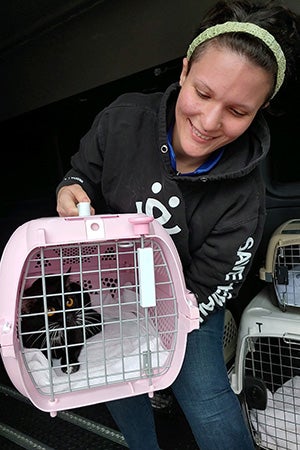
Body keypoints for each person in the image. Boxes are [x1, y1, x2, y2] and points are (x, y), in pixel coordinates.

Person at [56, 0, 300, 448]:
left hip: (190, 304)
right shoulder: (122, 118)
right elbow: (82, 173)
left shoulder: (244, 198)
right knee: (117, 378)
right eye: (203, 94)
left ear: (262, 108)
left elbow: (213, 289)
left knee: (207, 401)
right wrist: (69, 189)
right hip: (110, 287)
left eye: (238, 111)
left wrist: (162, 333)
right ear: (185, 69)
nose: (209, 123)